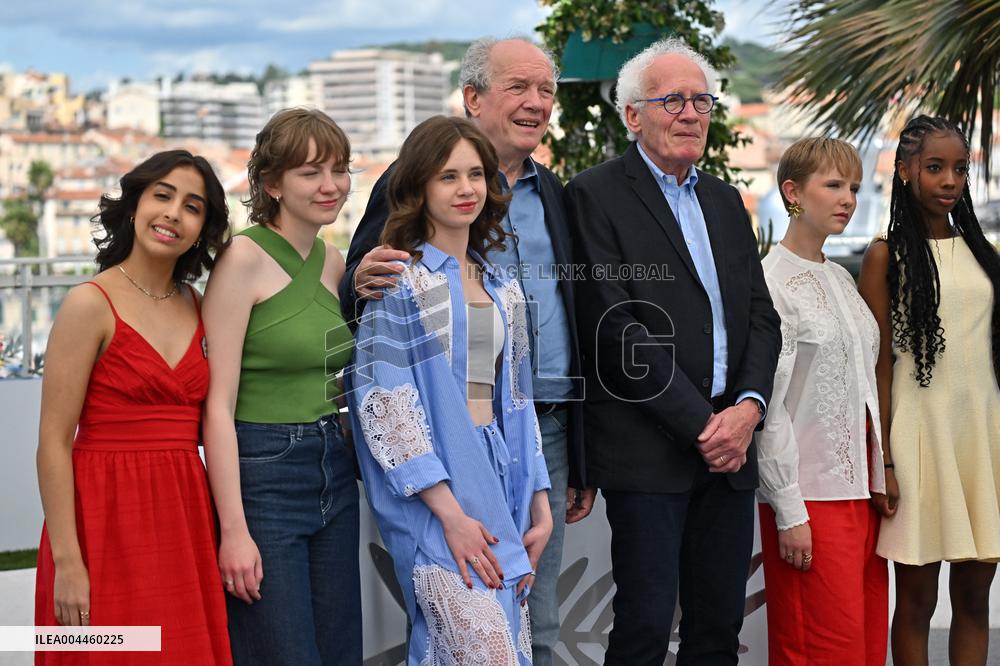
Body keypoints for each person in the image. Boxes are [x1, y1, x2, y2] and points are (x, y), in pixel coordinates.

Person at [341, 37, 592, 664]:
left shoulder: (509, 269)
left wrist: (540, 497)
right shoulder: (402, 278)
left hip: (518, 462)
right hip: (439, 481)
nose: (465, 188)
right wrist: (449, 512)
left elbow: (518, 391)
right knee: (475, 641)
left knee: (523, 635)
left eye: (475, 175)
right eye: (448, 177)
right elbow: (386, 401)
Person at [565, 38, 781, 665]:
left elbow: (761, 317)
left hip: (731, 450)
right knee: (645, 628)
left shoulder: (725, 200)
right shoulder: (594, 194)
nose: (690, 113)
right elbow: (614, 327)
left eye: (701, 101)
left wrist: (746, 410)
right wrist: (702, 425)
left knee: (718, 631)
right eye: (673, 101)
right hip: (650, 450)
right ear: (633, 116)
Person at [34, 149, 232, 664]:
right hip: (100, 522)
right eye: (162, 196)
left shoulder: (199, 305)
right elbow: (53, 443)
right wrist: (68, 561)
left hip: (183, 520)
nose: (173, 213)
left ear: (203, 229)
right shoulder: (88, 303)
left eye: (192, 206)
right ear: (135, 205)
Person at [202, 108, 361, 665]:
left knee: (341, 650)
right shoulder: (241, 259)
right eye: (310, 172)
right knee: (282, 652)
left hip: (333, 463)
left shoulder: (333, 261)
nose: (330, 185)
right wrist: (233, 531)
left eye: (339, 170)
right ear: (271, 184)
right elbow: (216, 407)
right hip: (263, 472)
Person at [859, 115, 1000, 666]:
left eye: (960, 169)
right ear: (904, 171)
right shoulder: (883, 255)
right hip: (918, 442)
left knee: (975, 600)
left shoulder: (984, 252)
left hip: (983, 440)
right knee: (916, 604)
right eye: (935, 167)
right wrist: (885, 462)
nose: (949, 180)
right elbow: (878, 369)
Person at [757, 137, 888, 665]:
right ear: (792, 192)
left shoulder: (840, 278)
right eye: (833, 185)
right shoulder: (771, 282)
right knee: (819, 649)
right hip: (810, 499)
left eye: (853, 187)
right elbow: (769, 408)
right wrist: (789, 510)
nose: (848, 199)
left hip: (861, 498)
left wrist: (880, 476)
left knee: (865, 647)